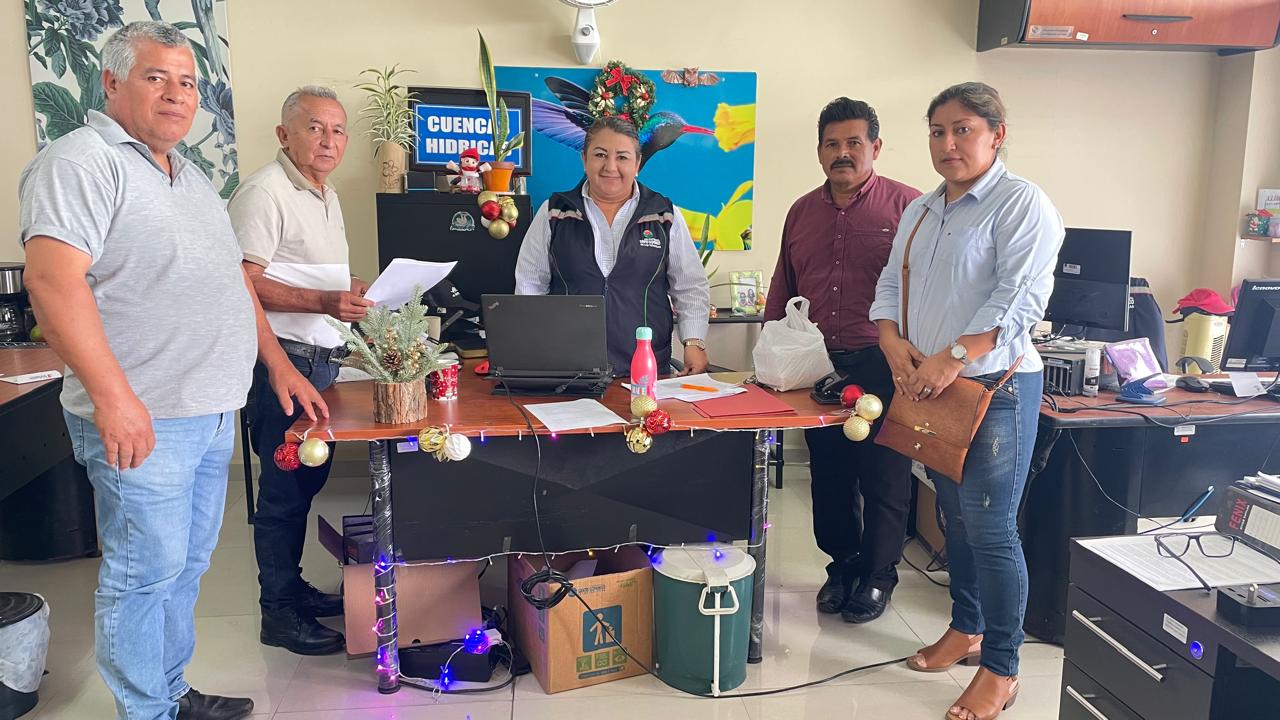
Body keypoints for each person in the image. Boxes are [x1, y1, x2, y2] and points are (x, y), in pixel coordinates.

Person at [18, 22, 327, 720]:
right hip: (144, 416)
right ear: (111, 83)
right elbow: (52, 283)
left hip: (209, 411)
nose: (177, 94)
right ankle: (147, 711)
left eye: (187, 82)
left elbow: (233, 282)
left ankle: (169, 691)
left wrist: (277, 363)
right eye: (156, 77)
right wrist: (114, 399)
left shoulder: (189, 176)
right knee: (142, 575)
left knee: (184, 567)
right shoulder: (80, 163)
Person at [870, 82, 1063, 720]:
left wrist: (952, 356)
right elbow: (888, 283)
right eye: (937, 131)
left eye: (963, 130)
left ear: (996, 135)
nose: (948, 144)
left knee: (990, 527)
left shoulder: (1020, 203)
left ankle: (1002, 667)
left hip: (995, 388)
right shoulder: (921, 209)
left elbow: (1019, 298)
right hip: (930, 385)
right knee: (952, 515)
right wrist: (892, 342)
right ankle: (967, 627)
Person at [765, 98, 921, 623]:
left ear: (876, 147)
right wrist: (771, 354)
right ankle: (843, 566)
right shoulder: (801, 212)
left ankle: (878, 576)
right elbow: (783, 286)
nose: (843, 153)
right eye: (832, 144)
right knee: (828, 476)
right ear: (819, 152)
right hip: (816, 365)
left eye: (854, 142)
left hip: (884, 362)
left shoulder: (910, 208)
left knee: (884, 476)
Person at [228, 87, 369, 656]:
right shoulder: (264, 192)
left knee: (305, 484)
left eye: (337, 130)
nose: (328, 140)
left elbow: (303, 275)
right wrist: (323, 301)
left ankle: (292, 588)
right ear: (284, 134)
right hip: (283, 363)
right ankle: (279, 614)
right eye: (314, 128)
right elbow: (242, 281)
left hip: (321, 361)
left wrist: (346, 292)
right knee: (284, 491)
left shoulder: (325, 193)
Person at [514, 116, 711, 376]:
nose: (610, 166)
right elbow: (529, 285)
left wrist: (694, 342)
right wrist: (530, 349)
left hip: (646, 369)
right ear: (584, 159)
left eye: (622, 157)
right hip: (567, 369)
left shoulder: (664, 214)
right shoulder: (554, 212)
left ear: (637, 163)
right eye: (600, 155)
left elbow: (690, 286)